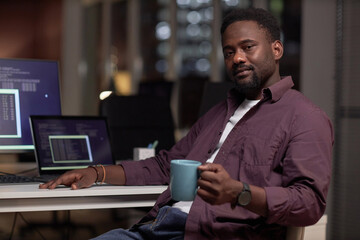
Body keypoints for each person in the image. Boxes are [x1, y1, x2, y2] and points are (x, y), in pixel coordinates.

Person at [40, 7, 333, 240]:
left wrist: (238, 192)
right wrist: (97, 172)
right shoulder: (219, 111)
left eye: (248, 47)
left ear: (277, 50)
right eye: (229, 52)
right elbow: (166, 165)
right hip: (157, 226)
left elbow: (308, 203)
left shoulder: (304, 117)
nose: (237, 58)